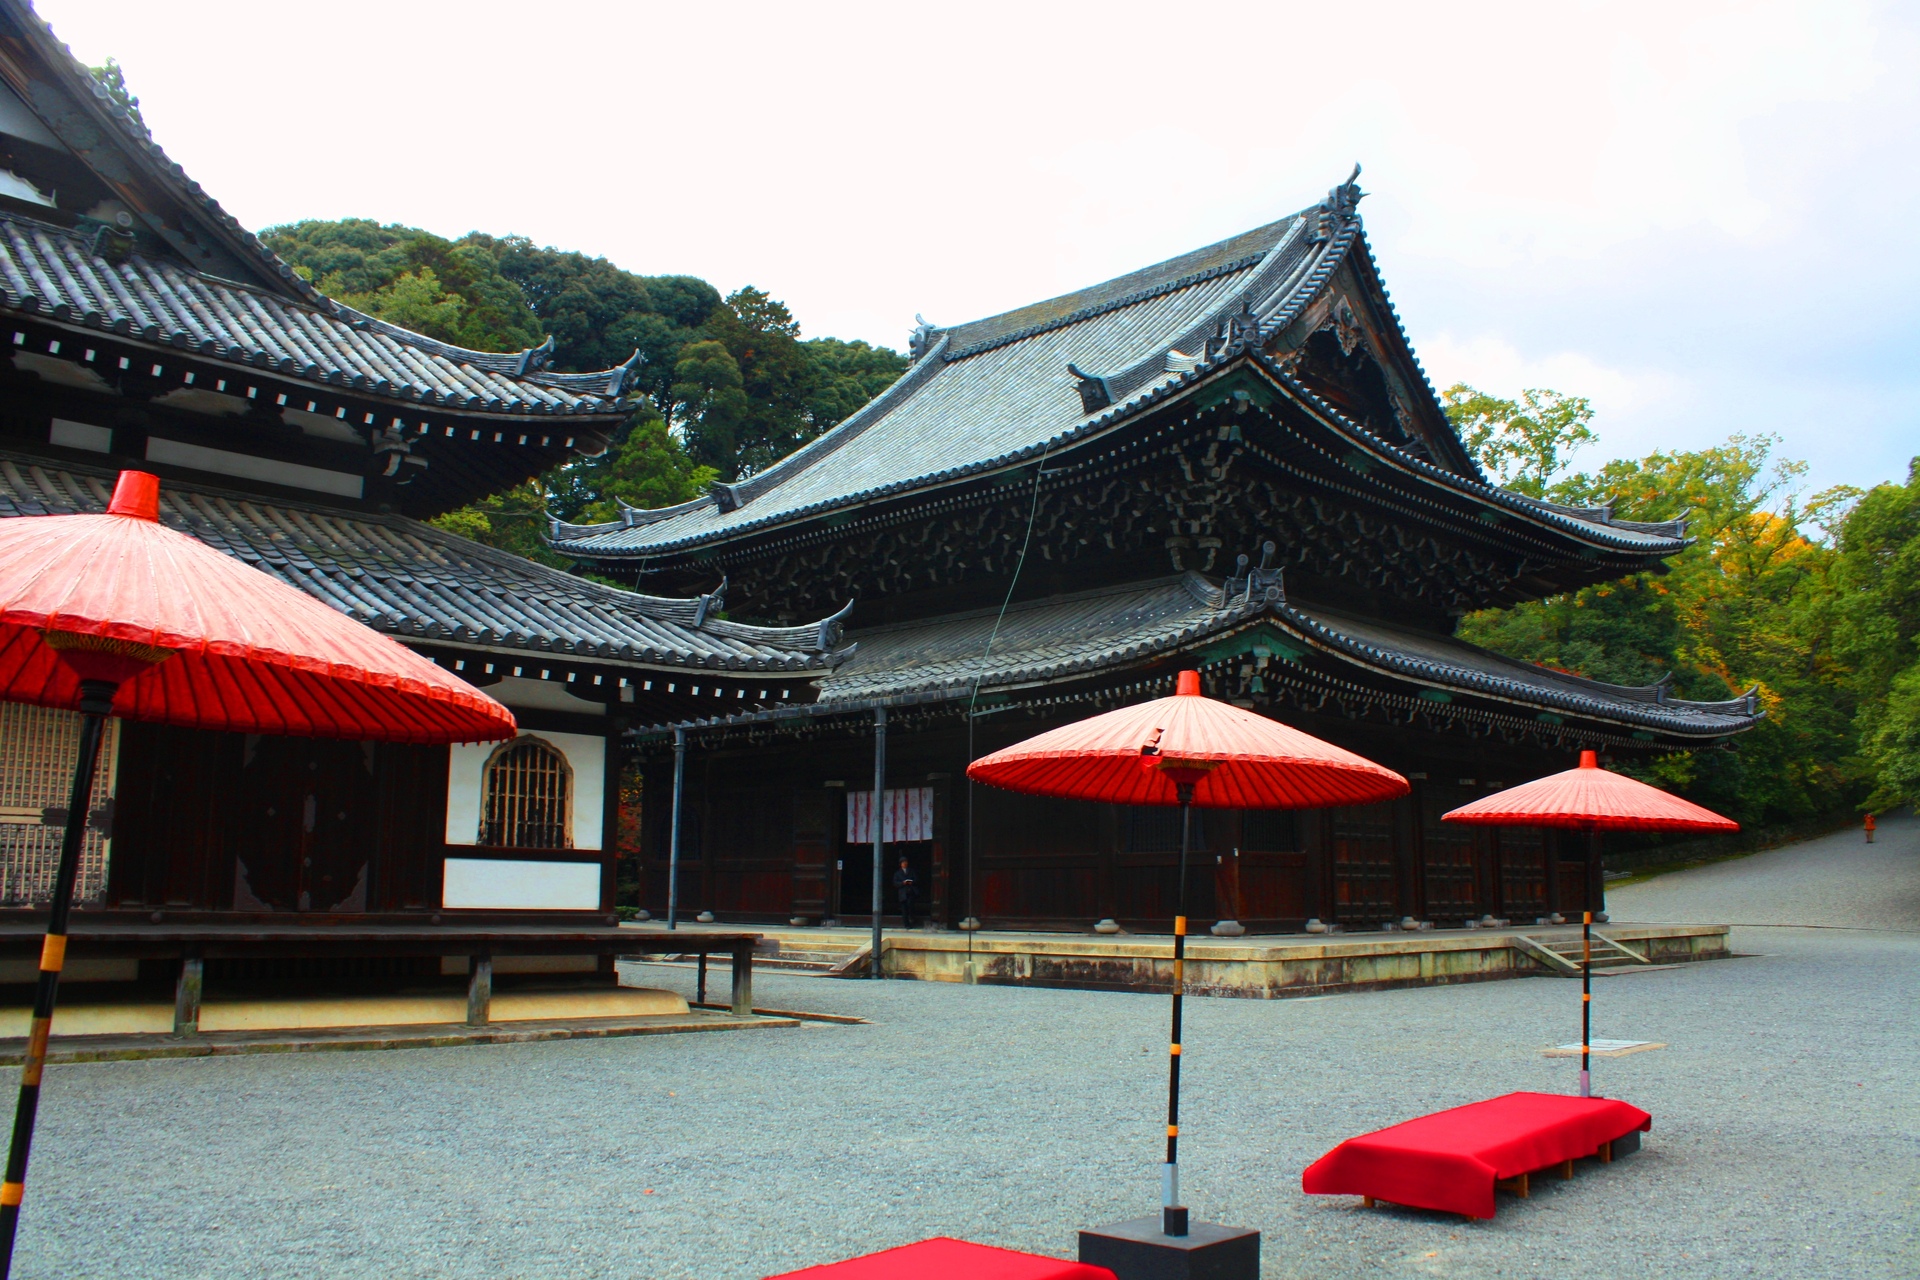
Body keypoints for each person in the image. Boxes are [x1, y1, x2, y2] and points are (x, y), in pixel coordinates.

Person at [892, 856, 919, 929]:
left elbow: (916, 879)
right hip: (903, 893)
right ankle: (906, 924)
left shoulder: (911, 871)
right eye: (903, 862)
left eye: (906, 862)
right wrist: (902, 883)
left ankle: (912, 921)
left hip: (910, 892)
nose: (905, 863)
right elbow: (895, 883)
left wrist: (912, 882)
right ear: (900, 864)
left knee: (910, 907)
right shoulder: (897, 873)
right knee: (904, 910)